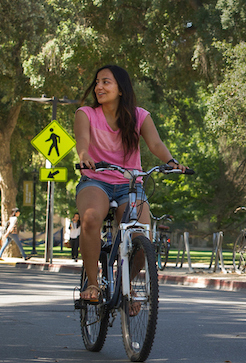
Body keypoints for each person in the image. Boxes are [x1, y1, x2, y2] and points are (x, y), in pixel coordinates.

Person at [75, 64, 186, 304]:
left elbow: (155, 144)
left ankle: (124, 287)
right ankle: (93, 283)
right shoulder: (86, 114)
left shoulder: (140, 116)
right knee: (91, 218)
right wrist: (84, 156)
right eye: (97, 82)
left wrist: (171, 161)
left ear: (121, 89)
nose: (99, 87)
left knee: (141, 236)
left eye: (106, 82)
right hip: (96, 180)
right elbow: (82, 141)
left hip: (130, 184)